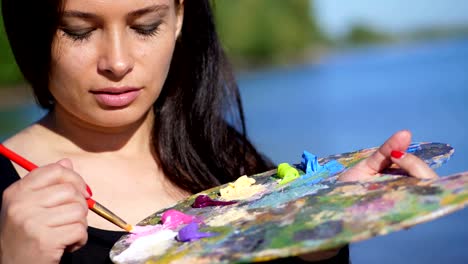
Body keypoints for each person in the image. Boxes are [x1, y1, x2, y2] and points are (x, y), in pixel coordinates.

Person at [0, 0, 437, 263]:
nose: (117, 61)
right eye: (79, 31)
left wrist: (318, 232)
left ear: (178, 19)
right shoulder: (10, 196)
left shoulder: (224, 153)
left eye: (145, 25)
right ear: (32, 31)